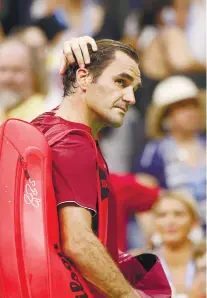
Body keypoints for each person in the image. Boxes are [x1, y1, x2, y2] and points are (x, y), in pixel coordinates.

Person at [31, 36, 144, 297]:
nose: (130, 98)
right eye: (121, 82)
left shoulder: (42, 124)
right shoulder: (74, 142)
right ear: (83, 77)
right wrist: (128, 294)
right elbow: (78, 242)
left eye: (134, 88)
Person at [134, 76, 206, 225]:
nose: (190, 112)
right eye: (181, 107)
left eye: (193, 106)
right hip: (176, 236)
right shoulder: (154, 152)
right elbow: (143, 203)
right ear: (165, 116)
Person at [130, 190, 205, 297]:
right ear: (155, 222)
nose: (170, 221)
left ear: (194, 221)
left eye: (178, 214)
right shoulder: (138, 263)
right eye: (162, 215)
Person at [0, 37, 47, 124]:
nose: (7, 78)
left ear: (34, 75)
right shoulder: (4, 111)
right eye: (3, 69)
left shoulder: (39, 119)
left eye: (16, 70)